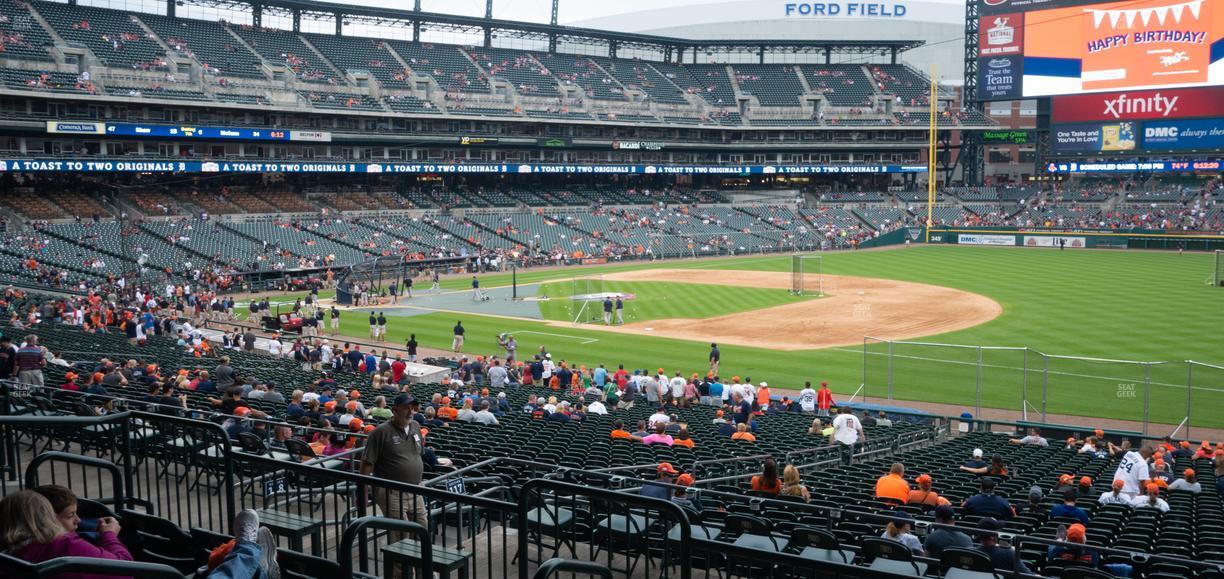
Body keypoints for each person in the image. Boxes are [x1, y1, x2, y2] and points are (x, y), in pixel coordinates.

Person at [0, 490, 132, 567]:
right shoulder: (64, 545)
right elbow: (124, 568)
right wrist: (109, 535)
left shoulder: (8, 552)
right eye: (70, 515)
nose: (79, 520)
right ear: (47, 517)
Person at [360, 395, 427, 538]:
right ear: (395, 410)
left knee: (422, 530)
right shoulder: (380, 432)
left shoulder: (415, 426)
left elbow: (418, 454)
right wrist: (363, 493)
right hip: (392, 492)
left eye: (412, 408)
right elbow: (366, 464)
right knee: (400, 535)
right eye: (406, 408)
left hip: (415, 489)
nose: (410, 412)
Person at [1047, 523, 1133, 578]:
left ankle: (1059, 539)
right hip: (1084, 576)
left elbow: (1051, 560)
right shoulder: (1092, 552)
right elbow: (1095, 566)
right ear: (1084, 539)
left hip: (1063, 575)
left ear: (1067, 539)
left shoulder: (1058, 550)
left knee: (1053, 546)